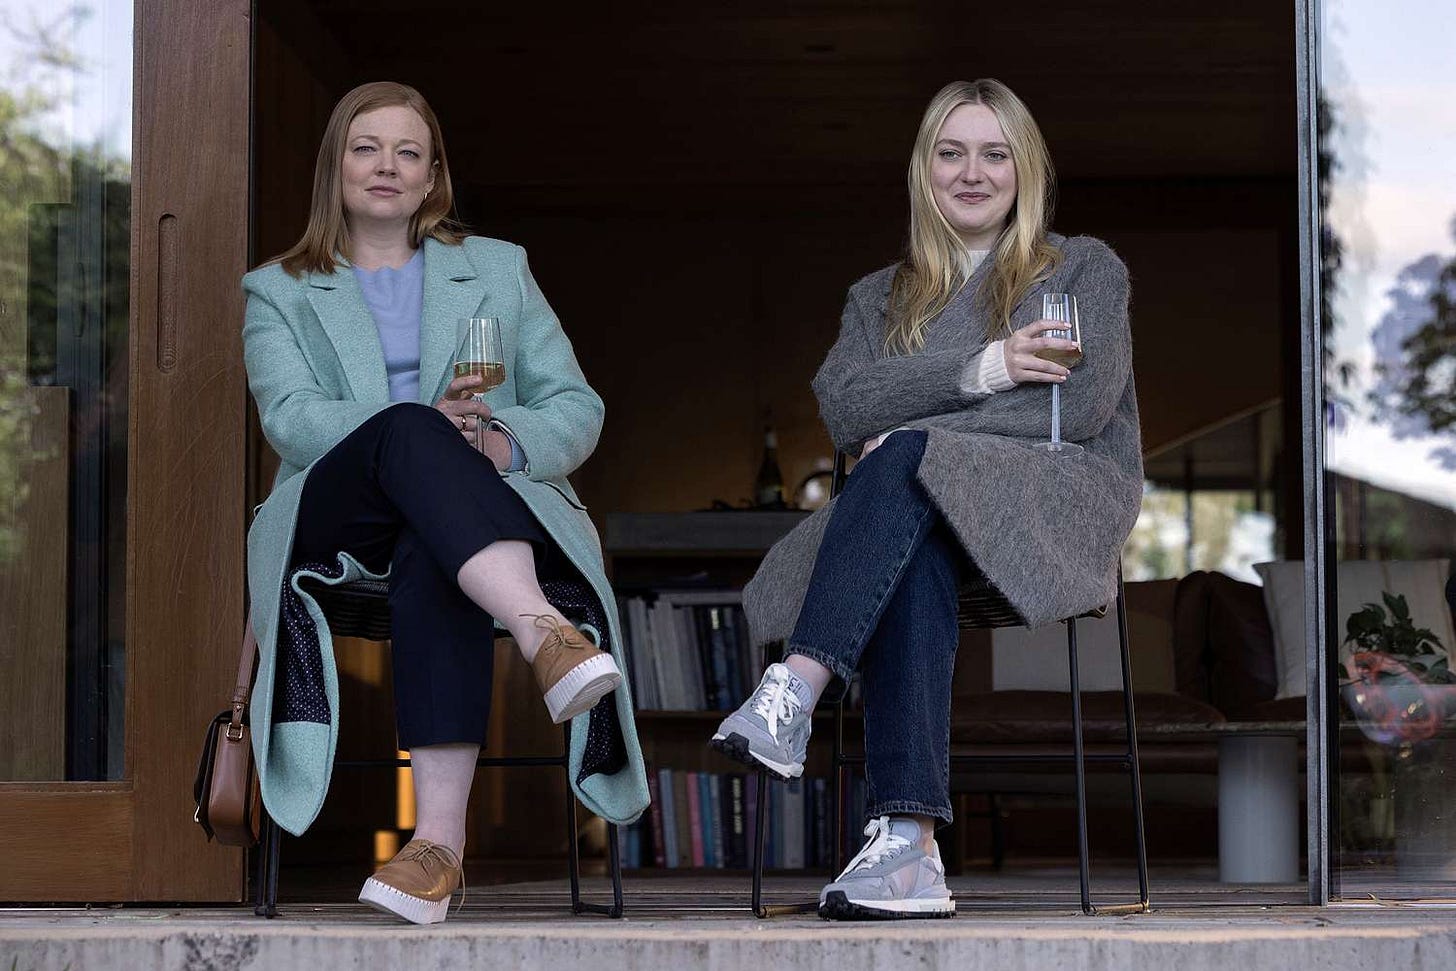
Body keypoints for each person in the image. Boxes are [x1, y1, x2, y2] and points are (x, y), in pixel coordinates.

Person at [710, 79, 1143, 920]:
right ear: (924, 170)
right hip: (923, 520)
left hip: (1055, 498)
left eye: (994, 153)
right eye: (952, 153)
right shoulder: (879, 296)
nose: (972, 172)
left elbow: (1078, 409)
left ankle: (796, 685)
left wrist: (914, 433)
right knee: (915, 519)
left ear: (1025, 170)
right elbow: (844, 408)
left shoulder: (1082, 266)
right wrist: (988, 367)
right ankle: (908, 847)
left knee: (908, 457)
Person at [241, 81, 647, 925]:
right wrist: (420, 426)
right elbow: (293, 419)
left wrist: (498, 441)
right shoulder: (278, 290)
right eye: (365, 148)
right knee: (407, 434)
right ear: (335, 168)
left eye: (408, 152)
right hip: (335, 518)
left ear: (433, 179)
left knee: (437, 540)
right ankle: (546, 635)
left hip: (461, 517)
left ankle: (437, 846)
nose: (386, 166)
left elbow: (577, 404)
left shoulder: (497, 269)